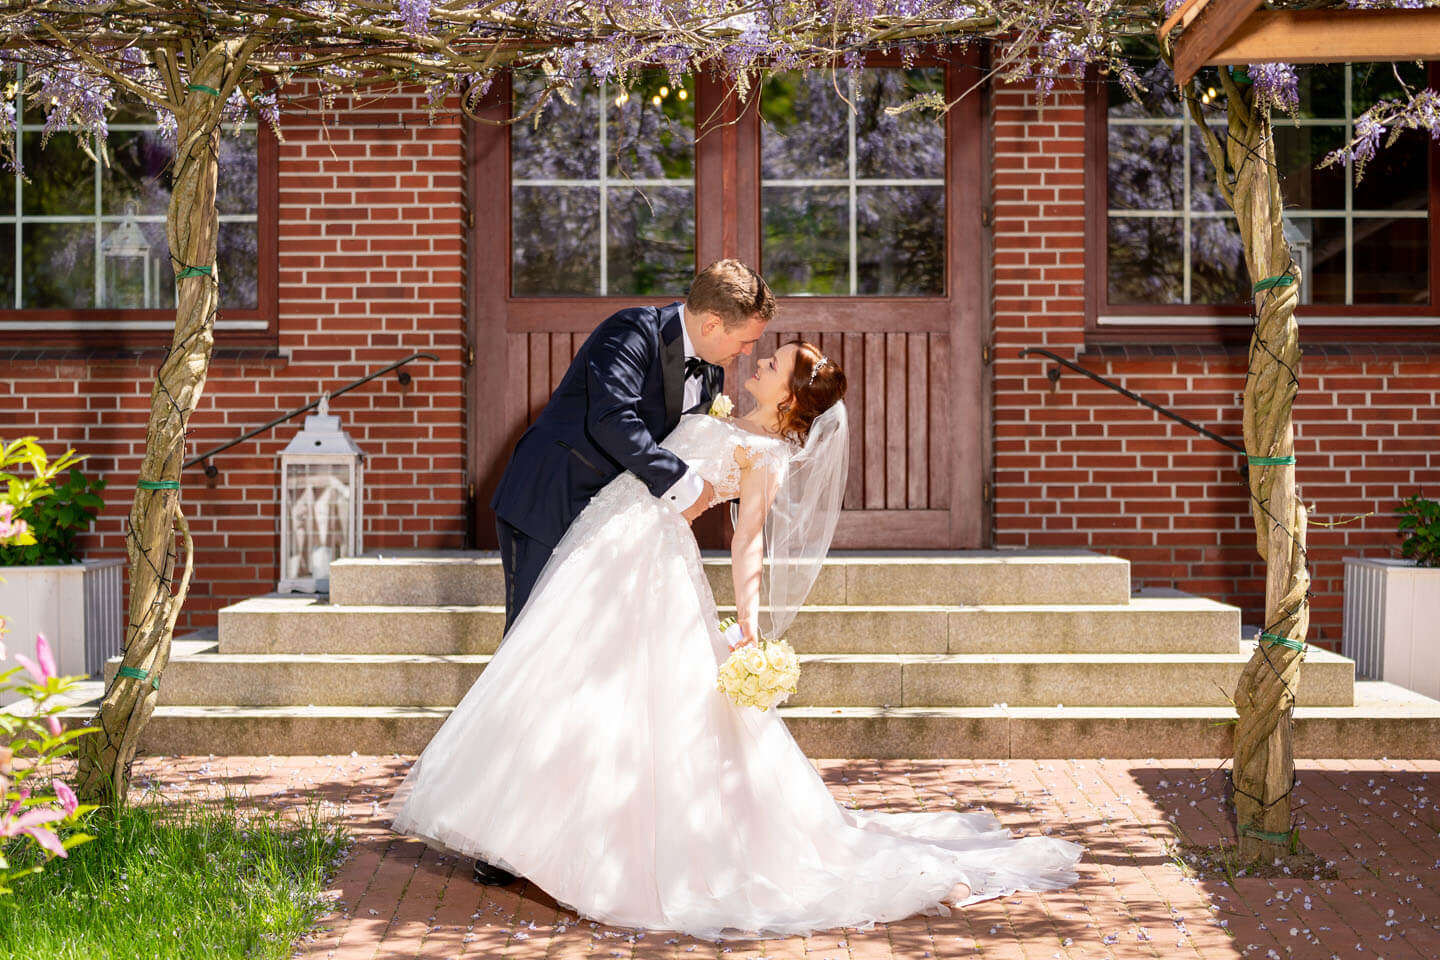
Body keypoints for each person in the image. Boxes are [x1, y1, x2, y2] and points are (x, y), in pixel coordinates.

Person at [390, 341, 1083, 938]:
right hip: (599, 543)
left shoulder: (766, 454)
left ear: (789, 397)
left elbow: (745, 543)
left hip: (643, 564)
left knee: (612, 693)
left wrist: (750, 624)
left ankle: (588, 843)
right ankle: (527, 827)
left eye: (775, 362)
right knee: (554, 679)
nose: (760, 360)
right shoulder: (720, 412)